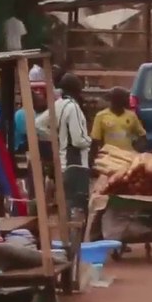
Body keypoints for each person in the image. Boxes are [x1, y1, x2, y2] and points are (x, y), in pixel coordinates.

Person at [37, 73, 92, 219]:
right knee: (78, 207)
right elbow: (78, 140)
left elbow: (38, 124)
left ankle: (66, 237)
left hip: (63, 164)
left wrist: (55, 138)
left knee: (67, 204)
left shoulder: (58, 104)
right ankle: (76, 240)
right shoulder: (73, 108)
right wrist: (90, 142)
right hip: (77, 164)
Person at [89, 87, 146, 163]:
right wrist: (92, 159)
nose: (127, 101)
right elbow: (95, 141)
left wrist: (137, 150)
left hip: (128, 157)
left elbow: (142, 135)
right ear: (116, 100)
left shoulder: (131, 116)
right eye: (125, 99)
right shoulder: (101, 116)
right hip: (109, 157)